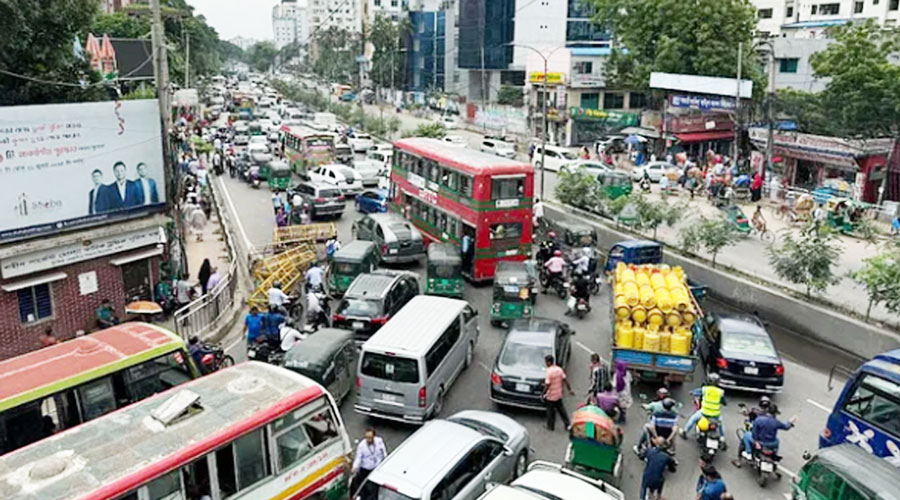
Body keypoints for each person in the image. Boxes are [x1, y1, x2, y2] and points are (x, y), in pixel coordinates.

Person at [682, 373, 726, 442]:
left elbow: (695, 392)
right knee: (720, 424)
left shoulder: (705, 389)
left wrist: (691, 392)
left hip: (704, 412)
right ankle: (722, 438)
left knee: (693, 419)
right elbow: (724, 402)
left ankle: (684, 432)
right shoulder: (720, 392)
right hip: (715, 414)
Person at [351, 429, 388, 497]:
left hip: (376, 468)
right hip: (366, 469)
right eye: (367, 438)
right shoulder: (362, 446)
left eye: (370, 438)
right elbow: (358, 457)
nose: (368, 440)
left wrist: (385, 461)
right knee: (362, 485)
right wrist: (355, 466)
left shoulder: (379, 441)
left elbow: (384, 452)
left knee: (374, 488)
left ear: (374, 436)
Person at [543, 354, 574, 431]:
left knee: (550, 411)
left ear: (549, 362)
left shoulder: (548, 372)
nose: (545, 364)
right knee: (561, 410)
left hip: (551, 395)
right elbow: (565, 380)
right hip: (558, 394)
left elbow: (548, 384)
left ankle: (550, 426)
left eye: (546, 362)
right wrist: (569, 390)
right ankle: (567, 424)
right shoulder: (559, 369)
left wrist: (543, 392)